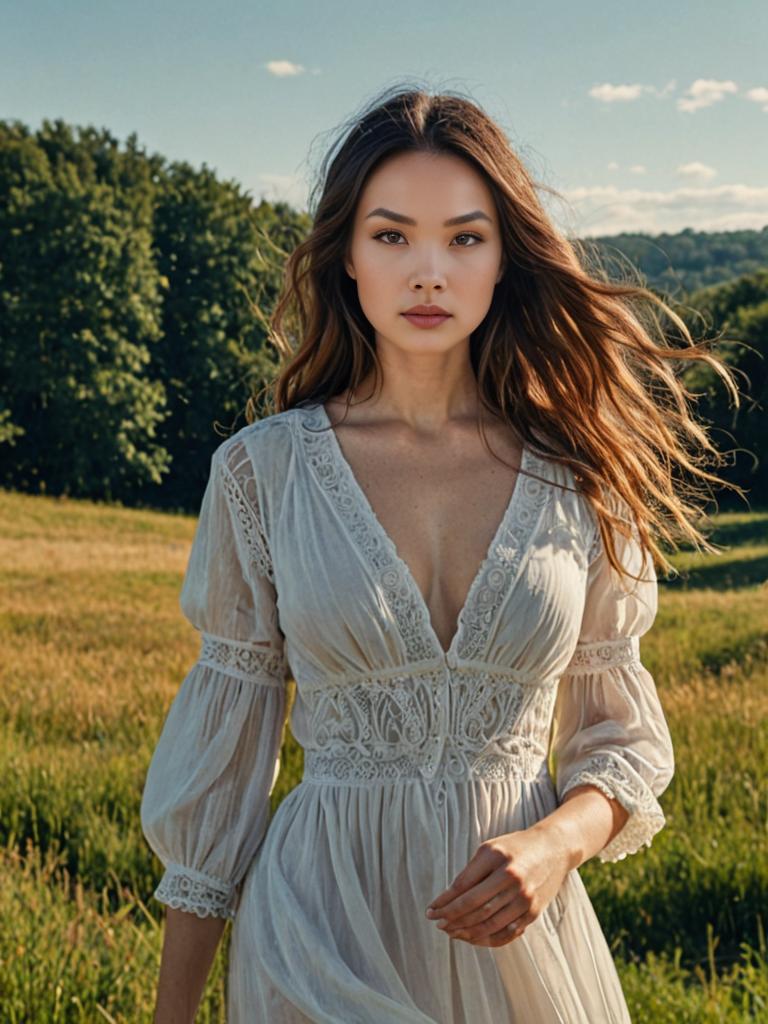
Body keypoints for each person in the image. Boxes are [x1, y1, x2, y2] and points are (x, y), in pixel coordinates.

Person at [140, 83, 741, 1023]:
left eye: (464, 237)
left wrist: (554, 845)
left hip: (526, 956)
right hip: (317, 937)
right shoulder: (264, 475)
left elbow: (620, 743)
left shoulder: (580, 474)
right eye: (392, 236)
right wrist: (173, 1016)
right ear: (346, 255)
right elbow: (218, 787)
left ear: (505, 258)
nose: (429, 272)